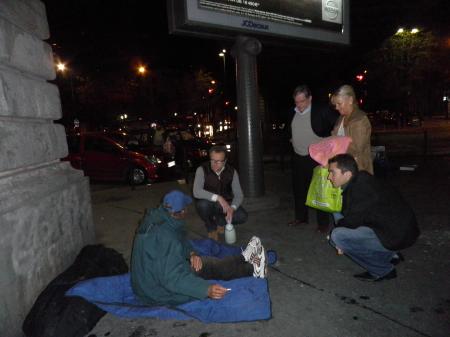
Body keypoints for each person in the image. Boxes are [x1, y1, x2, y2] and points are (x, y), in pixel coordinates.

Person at [130, 190, 267, 306]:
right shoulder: (166, 239)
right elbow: (173, 279)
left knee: (202, 262)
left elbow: (180, 240)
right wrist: (205, 289)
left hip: (149, 281)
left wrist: (192, 253)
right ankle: (253, 269)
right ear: (182, 211)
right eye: (186, 208)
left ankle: (244, 257)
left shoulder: (161, 219)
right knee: (209, 266)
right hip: (158, 293)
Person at [327, 154, 420, 282]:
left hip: (397, 237)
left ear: (347, 174)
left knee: (337, 237)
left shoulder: (361, 190)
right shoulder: (361, 178)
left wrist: (337, 240)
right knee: (336, 212)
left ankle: (382, 270)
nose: (329, 177)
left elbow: (352, 220)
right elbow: (354, 214)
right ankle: (390, 255)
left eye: (332, 173)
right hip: (397, 230)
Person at [288, 85, 339, 231]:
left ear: (310, 98)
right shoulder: (293, 112)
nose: (299, 105)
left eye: (302, 101)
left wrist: (330, 143)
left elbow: (337, 124)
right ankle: (301, 218)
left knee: (319, 190)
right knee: (299, 189)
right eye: (296, 102)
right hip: (298, 156)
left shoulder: (321, 110)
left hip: (316, 158)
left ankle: (322, 224)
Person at [193, 145, 248, 241]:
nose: (214, 164)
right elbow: (196, 191)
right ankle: (211, 227)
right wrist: (219, 198)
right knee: (202, 205)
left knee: (242, 216)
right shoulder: (202, 169)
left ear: (225, 161)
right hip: (209, 203)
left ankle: (220, 222)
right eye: (212, 160)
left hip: (226, 205)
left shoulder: (232, 172)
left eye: (219, 162)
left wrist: (232, 208)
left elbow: (239, 195)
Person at [331, 85, 374, 174]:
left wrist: (334, 146)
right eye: (335, 105)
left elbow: (357, 148)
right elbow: (334, 138)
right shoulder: (341, 118)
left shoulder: (360, 119)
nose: (336, 108)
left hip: (358, 169)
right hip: (344, 169)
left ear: (350, 100)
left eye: (339, 103)